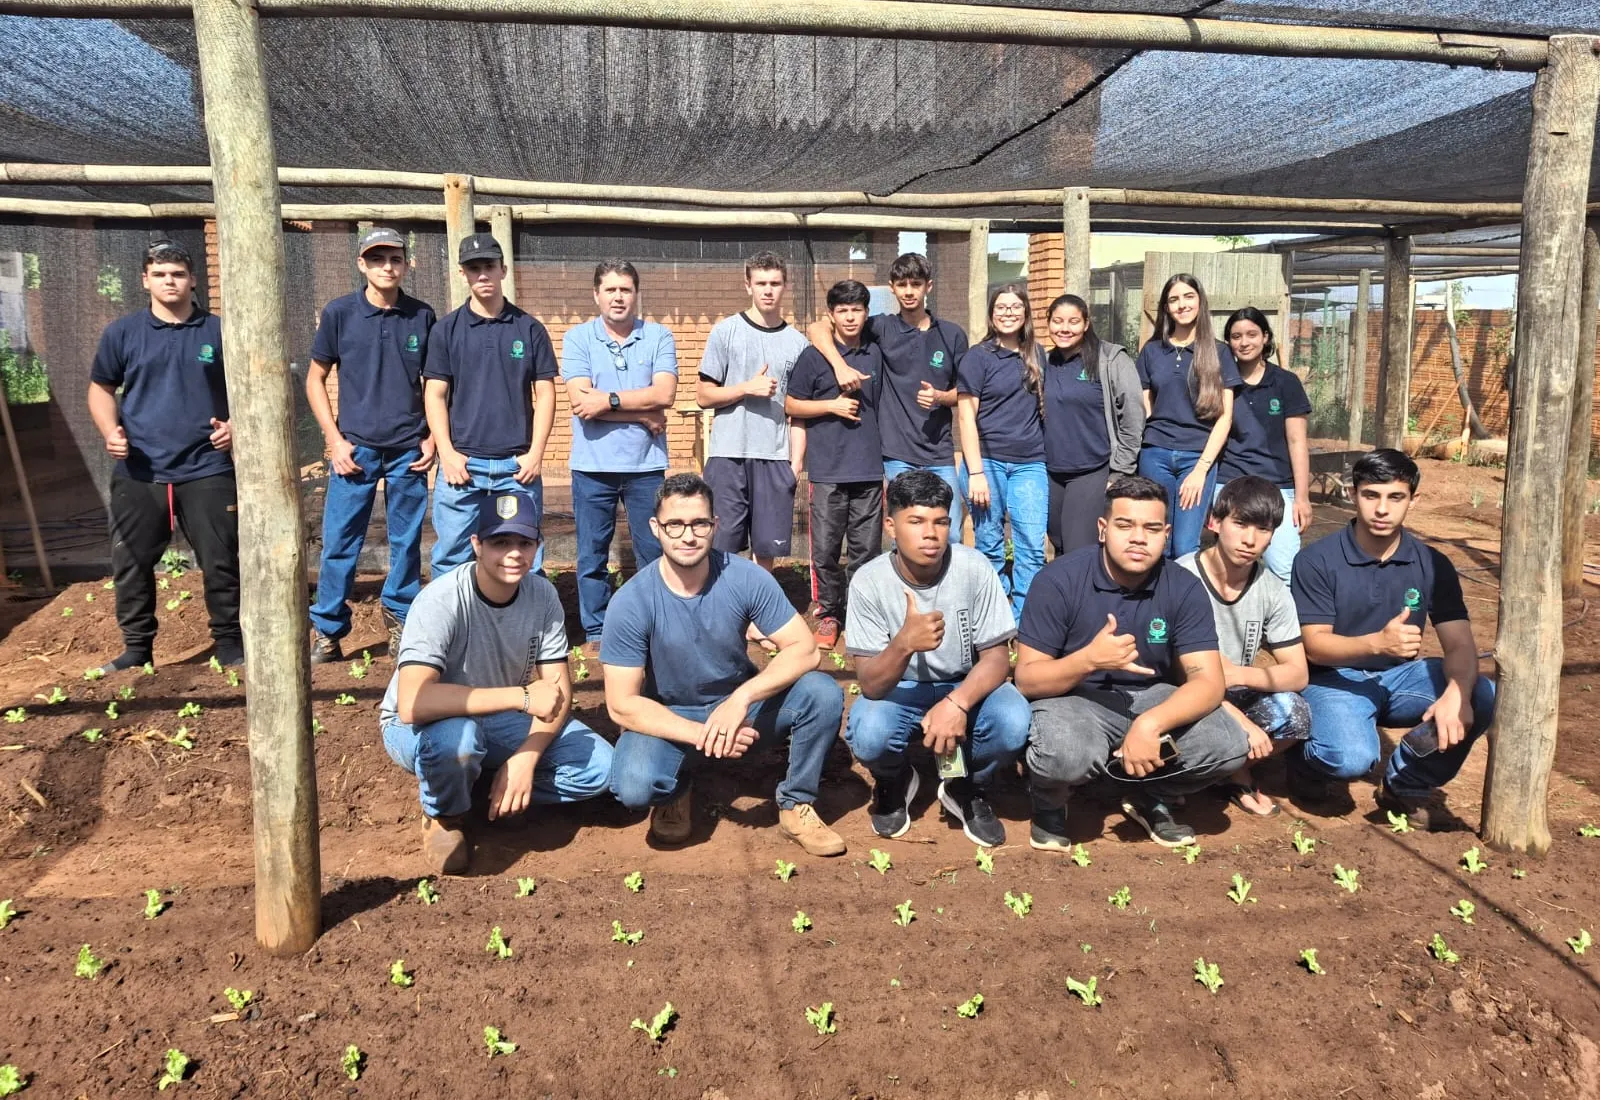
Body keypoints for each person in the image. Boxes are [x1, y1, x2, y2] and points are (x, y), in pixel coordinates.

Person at [603, 473, 847, 856]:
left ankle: (796, 803)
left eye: (699, 523)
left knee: (821, 693)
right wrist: (704, 734)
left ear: (715, 525)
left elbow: (805, 649)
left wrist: (740, 700)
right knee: (634, 785)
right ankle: (676, 790)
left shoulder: (744, 577)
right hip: (671, 716)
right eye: (675, 524)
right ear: (655, 528)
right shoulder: (632, 601)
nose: (688, 536)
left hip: (741, 711)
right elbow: (622, 704)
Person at [379, 489, 613, 875]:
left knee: (600, 768)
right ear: (476, 544)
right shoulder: (442, 600)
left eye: (524, 542)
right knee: (458, 740)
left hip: (498, 718)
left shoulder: (542, 595)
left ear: (537, 545)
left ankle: (483, 786)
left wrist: (525, 758)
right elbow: (412, 704)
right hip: (423, 726)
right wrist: (521, 697)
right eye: (500, 542)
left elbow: (557, 693)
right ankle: (444, 813)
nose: (514, 553)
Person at [1015, 476, 1248, 849]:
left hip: (1152, 696)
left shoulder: (1183, 587)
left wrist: (1151, 723)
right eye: (1125, 525)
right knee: (1066, 752)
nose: (1138, 538)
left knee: (1228, 744)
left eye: (1151, 528)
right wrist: (1088, 660)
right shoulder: (1058, 580)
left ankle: (1152, 793)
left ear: (1166, 534)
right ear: (1103, 529)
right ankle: (1049, 801)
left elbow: (1208, 681)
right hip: (1074, 698)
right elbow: (1027, 679)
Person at [1289, 449, 1496, 829]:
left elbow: (1460, 644)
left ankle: (1406, 783)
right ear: (1352, 494)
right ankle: (1304, 764)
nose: (1382, 509)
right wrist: (1376, 643)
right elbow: (1314, 646)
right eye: (1371, 495)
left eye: (1395, 497)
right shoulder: (1317, 559)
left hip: (1399, 679)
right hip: (1332, 679)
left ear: (1413, 500)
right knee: (1350, 757)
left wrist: (1457, 694)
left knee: (1482, 695)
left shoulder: (1432, 563)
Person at [843, 471, 1030, 846]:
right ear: (891, 527)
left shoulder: (974, 567)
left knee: (1013, 721)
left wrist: (957, 703)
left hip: (964, 683)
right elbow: (872, 684)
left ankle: (967, 784)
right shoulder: (868, 580)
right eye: (916, 522)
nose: (930, 534)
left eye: (940, 522)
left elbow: (996, 659)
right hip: (900, 690)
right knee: (868, 734)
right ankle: (895, 778)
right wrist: (903, 644)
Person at [87, 239, 241, 673]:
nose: (168, 281)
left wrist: (236, 426)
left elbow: (253, 388)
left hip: (207, 466)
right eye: (159, 274)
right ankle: (137, 650)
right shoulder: (122, 333)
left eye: (177, 274)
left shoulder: (220, 331)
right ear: (145, 280)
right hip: (140, 469)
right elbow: (100, 389)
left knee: (222, 560)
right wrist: (110, 431)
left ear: (193, 280)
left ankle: (229, 644)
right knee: (132, 562)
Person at [305, 227, 437, 662]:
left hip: (408, 452)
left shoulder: (422, 316)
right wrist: (334, 440)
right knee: (340, 542)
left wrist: (432, 437)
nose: (387, 267)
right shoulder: (339, 313)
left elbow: (437, 383)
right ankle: (328, 631)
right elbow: (315, 379)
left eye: (395, 258)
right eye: (377, 259)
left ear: (406, 264)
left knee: (406, 541)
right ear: (361, 264)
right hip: (355, 451)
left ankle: (400, 620)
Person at [805, 252, 969, 533]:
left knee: (948, 533)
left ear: (928, 286)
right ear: (892, 287)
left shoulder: (952, 335)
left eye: (915, 284)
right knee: (905, 534)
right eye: (902, 284)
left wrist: (941, 397)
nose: (909, 291)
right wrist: (840, 366)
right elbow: (817, 327)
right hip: (897, 456)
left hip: (940, 454)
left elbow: (964, 393)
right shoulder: (881, 327)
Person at [1176, 476, 1311, 817]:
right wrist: (1241, 723)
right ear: (1214, 522)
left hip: (1232, 689)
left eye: (1263, 529)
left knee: (1296, 714)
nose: (1250, 540)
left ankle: (1226, 769)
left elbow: (1297, 673)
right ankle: (1189, 777)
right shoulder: (1180, 578)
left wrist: (1236, 674)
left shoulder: (1272, 590)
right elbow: (1173, 674)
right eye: (1240, 524)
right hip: (1180, 693)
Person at [423, 233, 557, 576]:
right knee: (451, 559)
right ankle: (455, 615)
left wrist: (536, 454)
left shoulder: (530, 329)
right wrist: (447, 454)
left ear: (503, 270)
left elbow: (545, 394)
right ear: (462, 273)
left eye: (489, 266)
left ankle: (524, 614)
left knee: (525, 559)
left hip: (517, 468)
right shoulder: (446, 330)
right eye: (473, 268)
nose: (482, 274)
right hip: (463, 466)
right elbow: (434, 394)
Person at [561, 260, 678, 649]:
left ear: (636, 294)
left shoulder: (658, 336)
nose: (618, 297)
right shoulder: (578, 338)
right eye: (610, 289)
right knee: (592, 554)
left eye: (625, 289)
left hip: (646, 467)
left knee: (653, 550)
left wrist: (609, 401)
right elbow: (582, 403)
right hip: (592, 467)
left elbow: (665, 394)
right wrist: (642, 412)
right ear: (596, 294)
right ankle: (597, 629)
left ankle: (652, 625)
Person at [784, 279, 885, 651]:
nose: (850, 317)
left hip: (869, 469)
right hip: (827, 469)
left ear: (866, 312)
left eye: (856, 309)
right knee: (825, 549)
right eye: (842, 310)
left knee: (866, 551)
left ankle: (861, 613)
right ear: (831, 314)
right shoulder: (813, 357)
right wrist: (832, 405)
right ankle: (828, 613)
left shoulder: (876, 351)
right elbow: (791, 405)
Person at [695, 251, 809, 570]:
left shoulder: (798, 343)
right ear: (748, 285)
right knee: (722, 548)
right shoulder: (725, 332)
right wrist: (746, 388)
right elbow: (703, 395)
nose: (768, 290)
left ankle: (758, 604)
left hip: (775, 457)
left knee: (766, 551)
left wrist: (795, 464)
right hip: (728, 455)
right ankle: (726, 601)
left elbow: (798, 411)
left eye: (775, 283)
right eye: (761, 283)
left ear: (785, 286)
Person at [955, 284, 1048, 623]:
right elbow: (966, 416)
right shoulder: (978, 357)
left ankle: (1026, 621)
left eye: (1015, 307)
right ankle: (995, 620)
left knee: (1031, 547)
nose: (1008, 313)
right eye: (1001, 307)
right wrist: (976, 473)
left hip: (1030, 464)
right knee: (989, 546)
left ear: (1026, 312)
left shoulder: (1038, 355)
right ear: (991, 314)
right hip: (986, 464)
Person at [1136, 274, 1239, 558]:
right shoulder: (1152, 351)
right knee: (1158, 541)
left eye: (1188, 297)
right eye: (1174, 299)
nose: (1182, 305)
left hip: (1196, 458)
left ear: (1200, 301)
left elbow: (1225, 418)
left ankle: (1182, 588)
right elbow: (1145, 404)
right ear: (1166, 308)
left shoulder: (1219, 352)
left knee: (1184, 545)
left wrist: (1201, 470)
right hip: (1155, 455)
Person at [1042, 293, 1144, 555]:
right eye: (1057, 321)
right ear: (1048, 323)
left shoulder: (1110, 359)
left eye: (1073, 321)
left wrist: (1120, 471)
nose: (1065, 328)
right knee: (1058, 543)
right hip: (1050, 471)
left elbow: (1133, 417)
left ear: (1086, 323)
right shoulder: (1044, 362)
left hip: (1091, 470)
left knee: (1079, 549)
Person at [1217, 307, 1312, 584]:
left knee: (1283, 570)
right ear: (1228, 342)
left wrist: (1302, 497)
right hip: (1230, 482)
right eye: (1236, 336)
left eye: (1252, 334)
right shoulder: (1222, 382)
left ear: (1265, 337)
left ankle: (1282, 614)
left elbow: (1297, 441)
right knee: (1230, 566)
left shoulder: (1285, 382)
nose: (1244, 342)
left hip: (1277, 485)